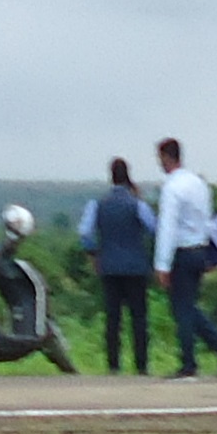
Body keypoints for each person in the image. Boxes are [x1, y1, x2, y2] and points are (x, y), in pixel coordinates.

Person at [151, 138, 217, 377]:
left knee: (182, 310)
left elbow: (167, 226)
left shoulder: (172, 188)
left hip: (182, 252)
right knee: (189, 306)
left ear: (165, 157)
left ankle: (189, 362)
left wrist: (162, 263)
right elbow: (208, 221)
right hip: (199, 249)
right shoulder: (198, 184)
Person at [79, 156, 155, 374]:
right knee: (139, 318)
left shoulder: (97, 204)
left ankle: (113, 364)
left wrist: (94, 254)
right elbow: (154, 228)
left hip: (109, 266)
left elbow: (85, 233)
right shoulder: (137, 204)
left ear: (110, 177)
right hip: (135, 267)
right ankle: (141, 365)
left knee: (113, 318)